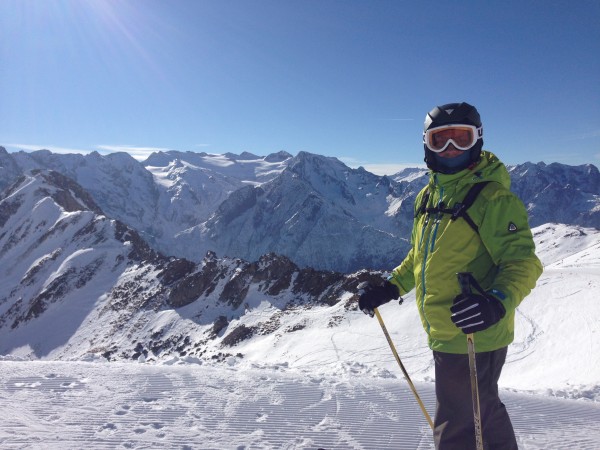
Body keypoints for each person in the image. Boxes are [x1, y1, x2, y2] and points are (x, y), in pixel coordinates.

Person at [358, 102, 543, 449]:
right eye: (440, 139)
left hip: (475, 332)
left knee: (457, 423)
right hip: (447, 330)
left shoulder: (492, 198)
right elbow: (421, 255)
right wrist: (390, 287)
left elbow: (524, 263)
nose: (450, 148)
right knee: (481, 415)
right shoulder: (428, 195)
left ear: (478, 140)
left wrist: (495, 302)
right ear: (426, 144)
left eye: (461, 138)